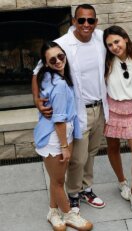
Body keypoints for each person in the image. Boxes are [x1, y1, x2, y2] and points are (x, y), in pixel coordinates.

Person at [32, 4, 108, 212]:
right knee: (77, 158)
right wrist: (37, 100)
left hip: (100, 108)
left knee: (91, 153)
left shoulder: (101, 39)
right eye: (81, 20)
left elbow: (123, 49)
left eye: (90, 20)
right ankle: (73, 193)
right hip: (78, 111)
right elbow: (36, 70)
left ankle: (86, 189)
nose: (86, 24)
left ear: (96, 22)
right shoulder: (61, 44)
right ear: (73, 21)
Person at [34, 41, 93, 231]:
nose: (59, 61)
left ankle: (53, 211)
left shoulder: (49, 77)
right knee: (59, 181)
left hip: (61, 134)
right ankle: (69, 215)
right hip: (55, 138)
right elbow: (59, 119)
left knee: (55, 178)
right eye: (53, 59)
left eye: (61, 56)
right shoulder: (58, 85)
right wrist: (65, 147)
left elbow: (35, 75)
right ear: (46, 63)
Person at [102, 25, 132, 216]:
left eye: (117, 41)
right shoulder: (106, 62)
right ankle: (122, 183)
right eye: (109, 44)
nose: (114, 46)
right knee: (113, 148)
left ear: (125, 39)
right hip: (112, 110)